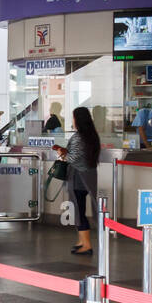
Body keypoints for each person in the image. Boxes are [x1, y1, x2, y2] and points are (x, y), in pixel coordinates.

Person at [54, 106, 101, 256]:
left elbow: (73, 158)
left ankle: (86, 244)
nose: (73, 121)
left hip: (78, 177)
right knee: (79, 209)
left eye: (73, 118)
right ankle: (81, 241)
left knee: (78, 211)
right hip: (89, 175)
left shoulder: (79, 137)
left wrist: (62, 154)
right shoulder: (91, 135)